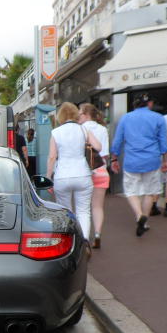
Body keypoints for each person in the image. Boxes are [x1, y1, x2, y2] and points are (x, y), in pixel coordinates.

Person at [110, 93, 167, 237]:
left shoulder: (125, 118)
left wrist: (114, 159)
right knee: (150, 192)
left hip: (132, 161)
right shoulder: (158, 118)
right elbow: (164, 144)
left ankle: (139, 215)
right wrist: (165, 161)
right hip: (152, 160)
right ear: (149, 104)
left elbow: (117, 141)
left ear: (134, 104)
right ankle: (145, 220)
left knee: (131, 191)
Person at [46, 102, 102, 241]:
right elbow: (98, 147)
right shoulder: (83, 130)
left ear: (61, 115)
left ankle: (69, 241)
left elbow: (52, 157)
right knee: (83, 211)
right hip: (83, 175)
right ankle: (84, 242)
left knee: (65, 211)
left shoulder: (55, 132)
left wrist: (48, 177)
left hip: (62, 176)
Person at [79, 103, 109, 249]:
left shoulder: (81, 129)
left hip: (84, 172)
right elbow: (105, 154)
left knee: (83, 207)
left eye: (79, 113)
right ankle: (97, 234)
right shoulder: (103, 129)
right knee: (98, 207)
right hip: (101, 170)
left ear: (85, 114)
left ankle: (84, 237)